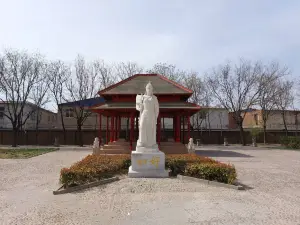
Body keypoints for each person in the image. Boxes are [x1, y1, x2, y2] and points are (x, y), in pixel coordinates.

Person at [136, 81, 159, 148]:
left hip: (151, 115)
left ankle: (151, 143)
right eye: (148, 88)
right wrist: (140, 105)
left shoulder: (154, 98)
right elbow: (141, 108)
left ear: (152, 89)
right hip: (144, 114)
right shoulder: (143, 97)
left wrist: (155, 118)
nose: (149, 89)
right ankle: (142, 142)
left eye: (150, 88)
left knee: (150, 129)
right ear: (146, 89)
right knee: (142, 127)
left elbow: (156, 109)